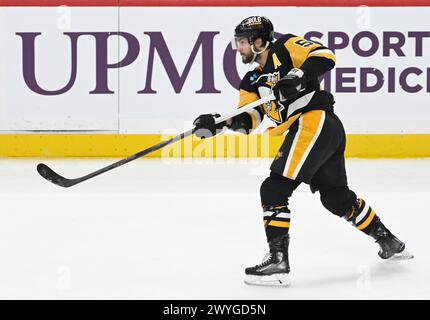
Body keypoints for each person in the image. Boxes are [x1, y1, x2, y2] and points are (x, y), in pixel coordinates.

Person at [193, 16, 412, 287]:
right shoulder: (251, 80)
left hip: (314, 121)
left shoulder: (285, 47)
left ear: (259, 42)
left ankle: (277, 262)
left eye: (242, 42)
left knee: (273, 189)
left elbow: (324, 55)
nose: (237, 48)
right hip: (322, 130)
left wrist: (298, 74)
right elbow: (251, 119)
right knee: (336, 198)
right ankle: (388, 240)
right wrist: (219, 124)